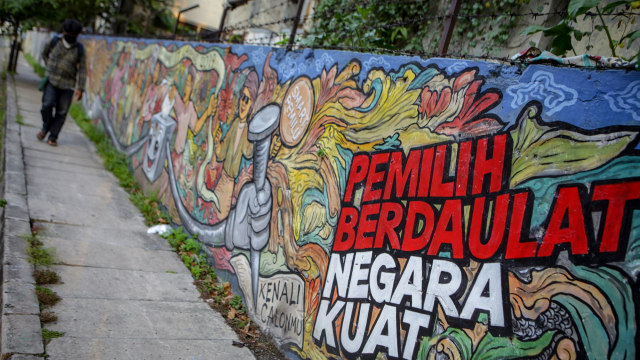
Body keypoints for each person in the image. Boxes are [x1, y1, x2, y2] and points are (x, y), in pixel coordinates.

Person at [38, 19, 86, 146]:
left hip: (68, 85)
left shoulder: (79, 49)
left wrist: (81, 87)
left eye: (74, 35)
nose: (71, 36)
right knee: (46, 105)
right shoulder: (54, 41)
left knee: (62, 112)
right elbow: (44, 53)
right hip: (52, 81)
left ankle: (53, 136)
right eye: (69, 33)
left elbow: (82, 69)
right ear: (64, 31)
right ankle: (46, 126)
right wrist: (50, 66)